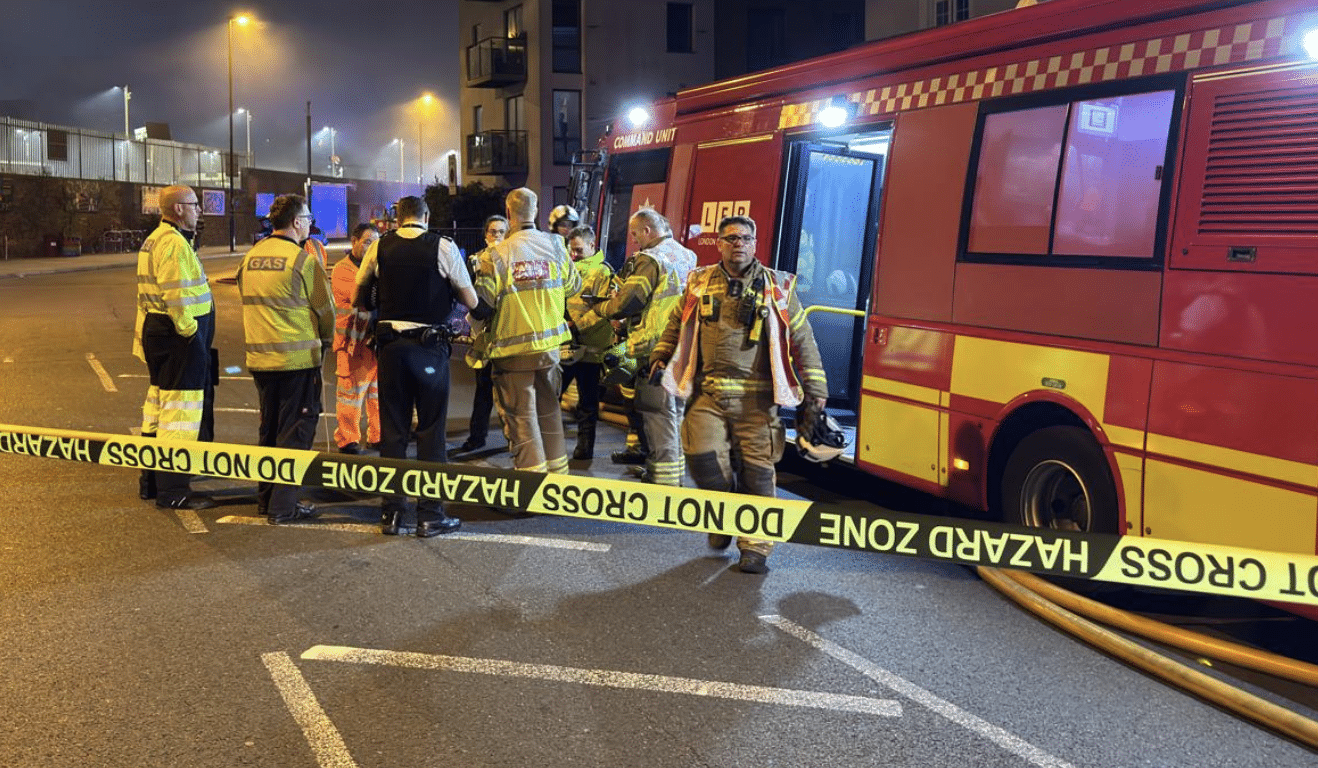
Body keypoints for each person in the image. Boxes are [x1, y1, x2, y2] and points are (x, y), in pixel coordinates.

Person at [650, 215, 828, 574]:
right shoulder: (699, 282)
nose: (739, 244)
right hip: (708, 395)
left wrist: (816, 389)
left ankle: (756, 547)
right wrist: (660, 355)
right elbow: (676, 323)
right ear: (719, 243)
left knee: (758, 473)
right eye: (731, 238)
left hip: (757, 401)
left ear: (755, 242)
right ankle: (725, 515)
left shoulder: (777, 286)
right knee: (701, 459)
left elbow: (802, 338)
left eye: (746, 238)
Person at [355, 195, 477, 536]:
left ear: (398, 218)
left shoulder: (379, 248)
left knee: (393, 433)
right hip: (429, 348)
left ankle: (391, 514)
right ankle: (430, 514)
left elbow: (360, 299)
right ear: (425, 216)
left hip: (391, 348)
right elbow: (471, 300)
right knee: (430, 431)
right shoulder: (443, 247)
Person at [577, 208, 695, 486]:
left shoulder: (649, 259)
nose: (634, 240)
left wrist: (602, 306)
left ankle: (663, 480)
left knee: (657, 414)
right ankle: (671, 473)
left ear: (647, 231)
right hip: (681, 343)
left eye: (635, 234)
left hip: (651, 345)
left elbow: (628, 302)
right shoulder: (687, 255)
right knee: (674, 414)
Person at [237, 194, 334, 525]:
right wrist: (326, 342)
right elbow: (325, 309)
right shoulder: (302, 261)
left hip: (260, 361)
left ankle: (265, 499)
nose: (309, 224)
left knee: (269, 429)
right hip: (297, 362)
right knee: (294, 433)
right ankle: (284, 506)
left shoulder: (250, 257)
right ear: (295, 222)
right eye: (306, 218)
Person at [475, 187, 582, 474]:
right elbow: (574, 287)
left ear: (509, 214)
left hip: (513, 352)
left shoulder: (496, 255)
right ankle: (558, 477)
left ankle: (530, 484)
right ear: (535, 212)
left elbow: (482, 302)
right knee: (549, 411)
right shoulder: (557, 246)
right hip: (550, 349)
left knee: (522, 417)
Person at [133, 184, 218, 510]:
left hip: (160, 334)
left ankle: (152, 483)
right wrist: (191, 333)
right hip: (178, 337)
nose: (199, 210)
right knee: (180, 413)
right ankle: (175, 490)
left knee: (158, 406)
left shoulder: (156, 239)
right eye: (195, 204)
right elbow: (177, 296)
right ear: (178, 209)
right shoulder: (173, 244)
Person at [561, 225, 617, 460]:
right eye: (571, 250)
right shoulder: (568, 267)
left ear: (592, 246)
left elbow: (604, 309)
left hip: (591, 349)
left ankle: (584, 449)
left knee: (588, 402)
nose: (573, 254)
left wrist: (576, 326)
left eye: (578, 250)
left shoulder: (603, 273)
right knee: (550, 394)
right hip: (567, 345)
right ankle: (548, 442)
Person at [455, 214, 508, 454]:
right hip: (485, 333)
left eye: (501, 231)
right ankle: (477, 436)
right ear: (485, 234)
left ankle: (513, 437)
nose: (496, 236)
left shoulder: (512, 259)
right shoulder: (476, 260)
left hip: (507, 331)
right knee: (483, 388)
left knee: (509, 391)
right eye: (493, 231)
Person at [331, 223, 382, 454]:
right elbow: (361, 299)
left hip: (374, 342)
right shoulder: (343, 269)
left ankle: (378, 436)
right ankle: (348, 439)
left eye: (376, 243)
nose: (373, 247)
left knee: (377, 394)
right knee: (351, 395)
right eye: (368, 242)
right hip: (352, 344)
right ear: (354, 242)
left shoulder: (377, 268)